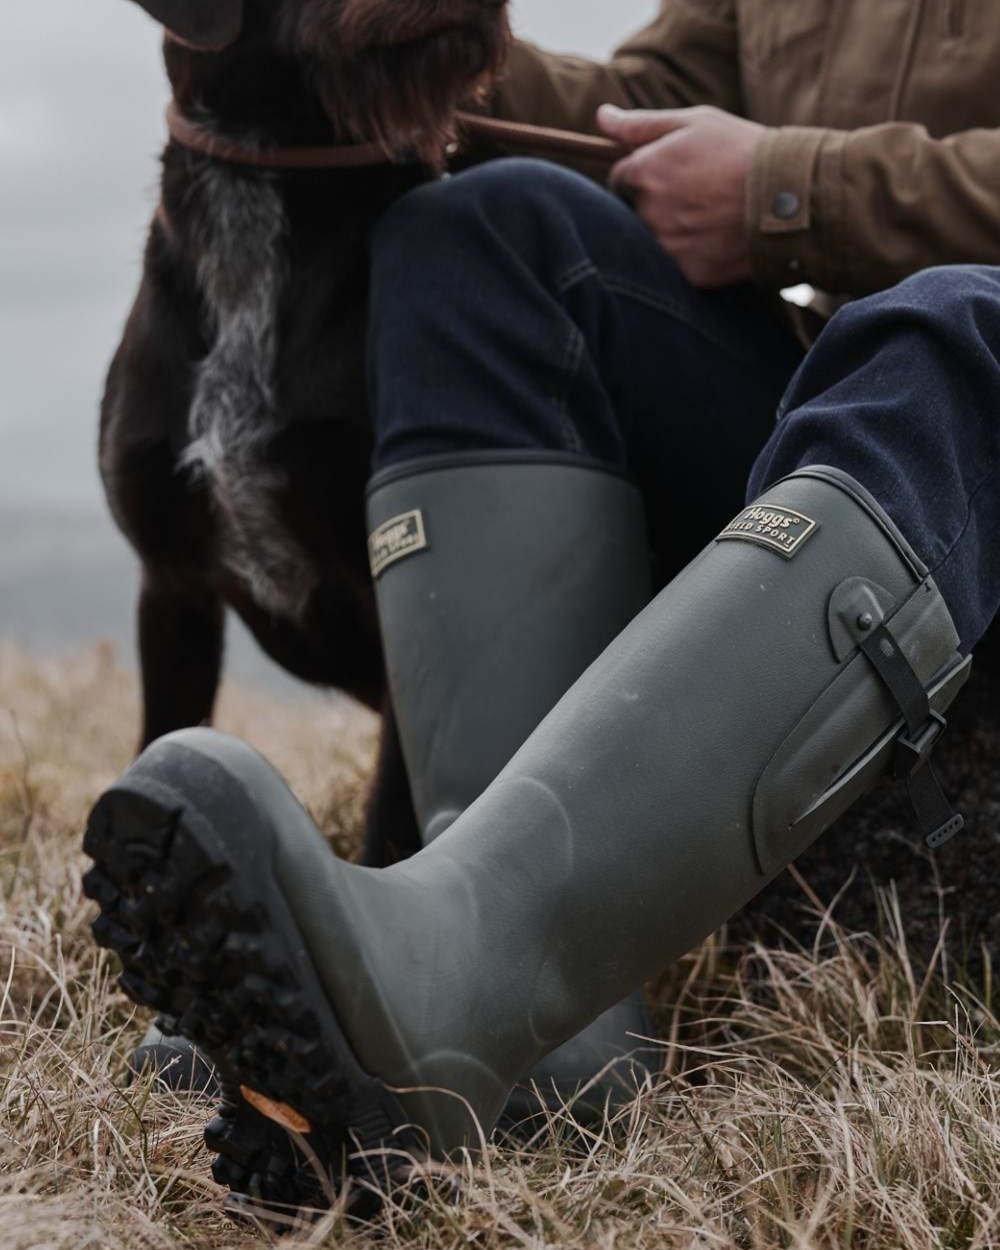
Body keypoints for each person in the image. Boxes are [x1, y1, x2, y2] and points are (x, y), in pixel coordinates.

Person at [86, 0, 1000, 1212]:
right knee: (481, 228)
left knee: (947, 330)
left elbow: (805, 206)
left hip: (954, 393)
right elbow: (638, 88)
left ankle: (472, 977)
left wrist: (791, 189)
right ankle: (547, 1023)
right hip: (834, 420)